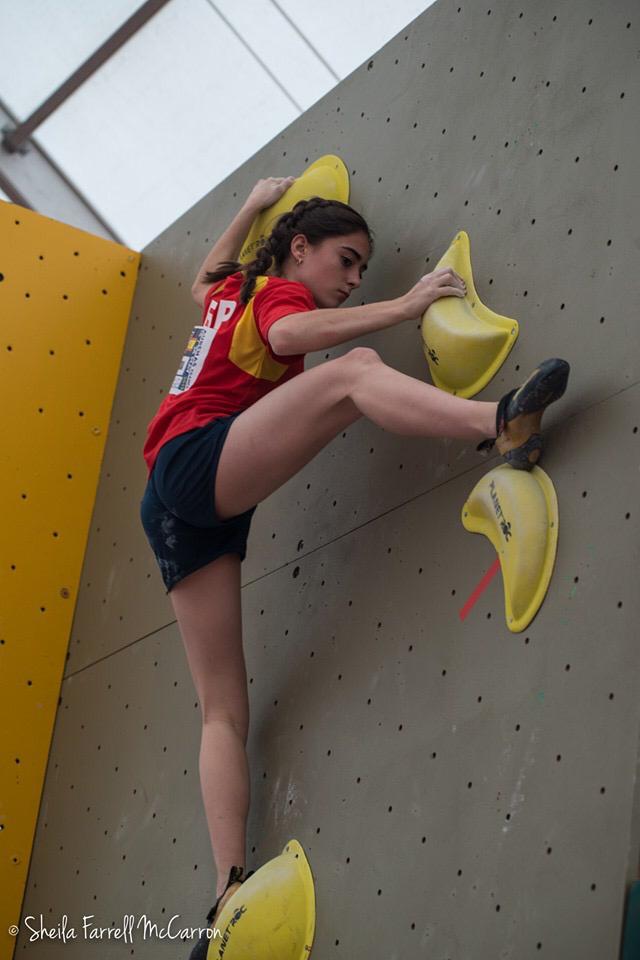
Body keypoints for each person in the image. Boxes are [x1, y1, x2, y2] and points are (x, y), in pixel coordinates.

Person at [139, 177, 569, 958]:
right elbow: (291, 342)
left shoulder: (228, 291)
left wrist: (250, 206)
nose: (351, 279)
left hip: (170, 501)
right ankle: (498, 424)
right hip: (199, 464)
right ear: (297, 250)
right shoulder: (275, 300)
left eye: (363, 270)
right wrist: (405, 306)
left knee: (222, 710)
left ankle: (226, 895)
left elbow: (207, 270)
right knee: (351, 369)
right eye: (345, 260)